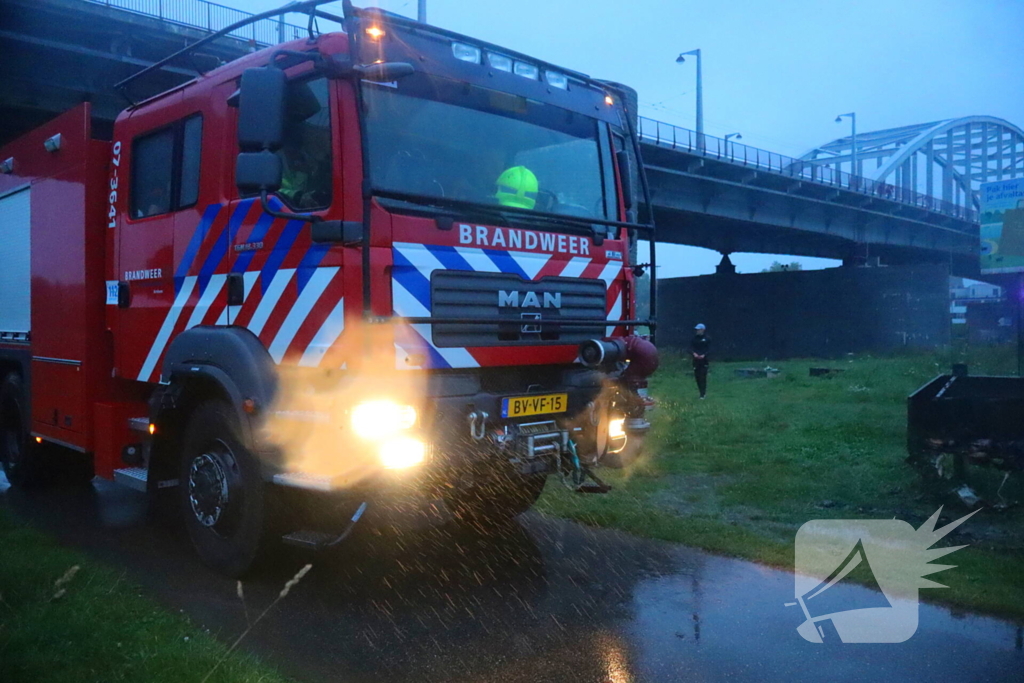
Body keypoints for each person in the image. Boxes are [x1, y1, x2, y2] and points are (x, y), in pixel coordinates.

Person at [691, 323, 710, 399]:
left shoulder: (707, 339)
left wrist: (704, 355)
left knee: (703, 377)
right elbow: (690, 348)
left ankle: (703, 393)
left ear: (703, 330)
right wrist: (694, 353)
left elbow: (710, 349)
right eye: (697, 329)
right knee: (697, 377)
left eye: (699, 329)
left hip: (704, 361)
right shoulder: (694, 339)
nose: (697, 331)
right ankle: (700, 392)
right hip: (696, 361)